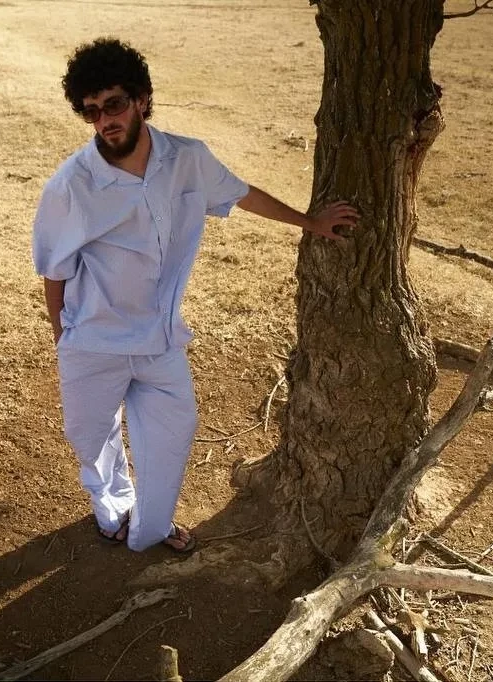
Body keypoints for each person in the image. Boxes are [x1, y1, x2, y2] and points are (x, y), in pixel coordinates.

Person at [32, 38, 358, 553]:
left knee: (174, 430)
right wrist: (63, 340)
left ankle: (151, 527)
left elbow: (241, 194)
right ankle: (111, 509)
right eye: (91, 112)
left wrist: (311, 222)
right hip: (94, 340)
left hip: (161, 338)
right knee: (91, 438)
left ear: (141, 99)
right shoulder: (71, 185)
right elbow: (53, 271)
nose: (105, 121)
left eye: (114, 104)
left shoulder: (188, 159)